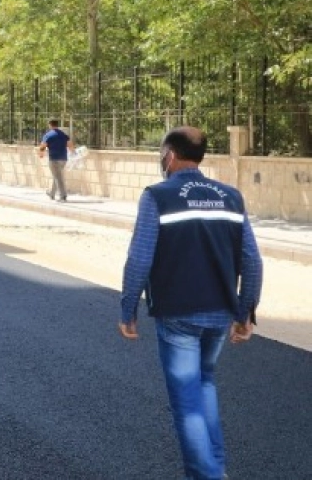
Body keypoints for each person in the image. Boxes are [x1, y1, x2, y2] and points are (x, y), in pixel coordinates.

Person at [119, 126, 263, 480]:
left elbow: (140, 258)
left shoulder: (158, 195)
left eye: (161, 154)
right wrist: (245, 312)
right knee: (205, 383)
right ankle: (216, 469)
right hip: (219, 314)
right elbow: (252, 261)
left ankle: (208, 475)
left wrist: (128, 309)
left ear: (169, 155)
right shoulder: (231, 196)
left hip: (179, 314)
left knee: (186, 404)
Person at [37, 119, 74, 201]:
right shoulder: (63, 134)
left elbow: (43, 146)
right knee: (57, 176)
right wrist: (73, 153)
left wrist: (41, 154)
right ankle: (52, 193)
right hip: (63, 159)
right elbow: (70, 145)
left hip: (54, 159)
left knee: (58, 177)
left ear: (50, 125)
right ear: (57, 125)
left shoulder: (48, 135)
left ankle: (63, 196)